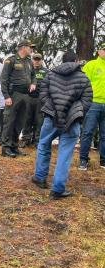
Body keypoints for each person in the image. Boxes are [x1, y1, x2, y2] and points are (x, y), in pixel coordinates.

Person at [32, 50, 92, 199]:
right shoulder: (83, 78)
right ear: (76, 61)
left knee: (44, 145)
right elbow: (87, 101)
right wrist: (76, 113)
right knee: (65, 153)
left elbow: (43, 94)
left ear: (63, 61)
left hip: (51, 118)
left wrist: (51, 108)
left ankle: (39, 178)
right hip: (72, 121)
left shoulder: (51, 75)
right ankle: (58, 189)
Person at [0, 39, 36, 157]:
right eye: (30, 47)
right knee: (9, 121)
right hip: (13, 95)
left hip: (26, 95)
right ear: (23, 48)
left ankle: (14, 146)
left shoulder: (29, 62)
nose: (31, 49)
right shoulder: (11, 60)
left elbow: (33, 75)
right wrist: (6, 96)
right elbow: (4, 79)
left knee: (20, 122)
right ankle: (6, 148)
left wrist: (33, 83)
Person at [79, 42, 105, 170]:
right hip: (93, 103)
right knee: (88, 132)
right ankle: (83, 160)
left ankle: (103, 161)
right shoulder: (91, 65)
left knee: (104, 135)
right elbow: (82, 83)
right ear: (99, 51)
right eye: (104, 49)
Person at [21, 53, 48, 147]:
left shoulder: (46, 72)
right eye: (35, 59)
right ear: (32, 60)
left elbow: (48, 85)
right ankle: (25, 138)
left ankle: (37, 140)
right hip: (28, 97)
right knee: (26, 119)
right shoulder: (27, 70)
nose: (36, 61)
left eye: (38, 59)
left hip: (40, 99)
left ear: (41, 60)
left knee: (39, 120)